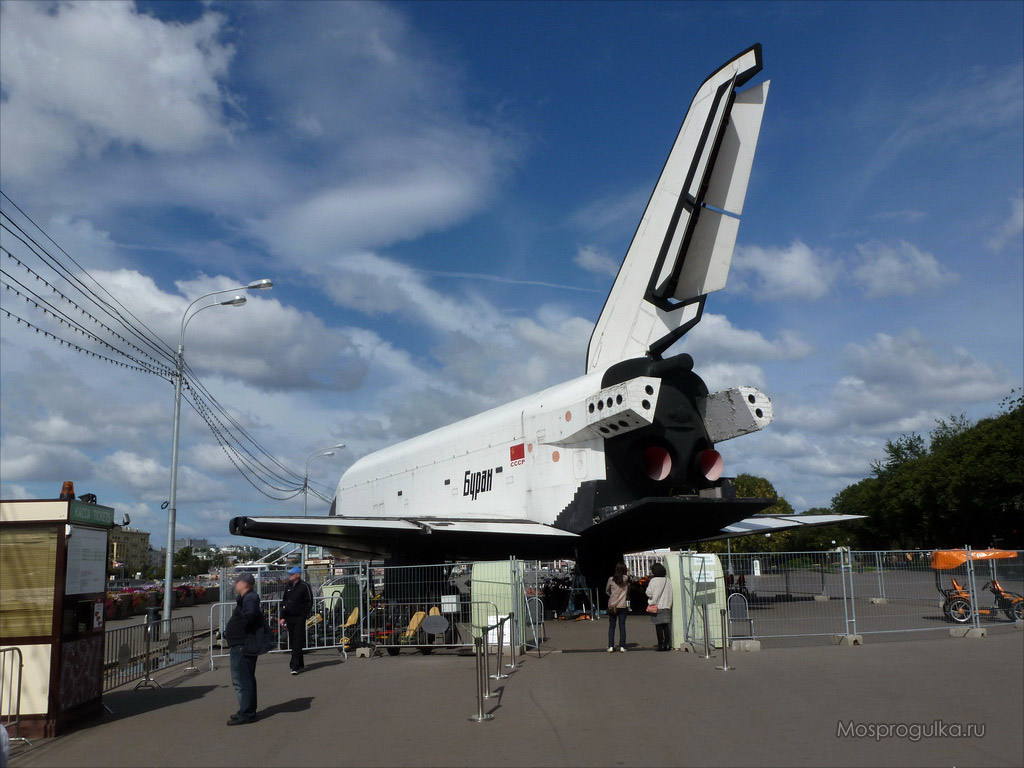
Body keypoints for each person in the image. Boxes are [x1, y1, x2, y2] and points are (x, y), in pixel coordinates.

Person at [223, 573, 262, 725]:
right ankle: (246, 710)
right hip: (241, 644)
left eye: (237, 582)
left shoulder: (250, 598)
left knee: (242, 681)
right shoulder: (246, 598)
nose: (235, 584)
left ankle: (247, 713)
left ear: (244, 584)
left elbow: (250, 616)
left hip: (242, 645)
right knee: (245, 679)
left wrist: (240, 631)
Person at [280, 566, 314, 675]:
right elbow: (284, 602)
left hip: (299, 617)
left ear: (298, 575)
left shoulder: (304, 586)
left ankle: (294, 666)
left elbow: (309, 601)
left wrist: (304, 614)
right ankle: (300, 663)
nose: (290, 576)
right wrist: (282, 616)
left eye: (292, 574)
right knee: (293, 640)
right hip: (289, 617)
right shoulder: (288, 586)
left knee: (298, 640)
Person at [645, 562, 673, 651]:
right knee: (666, 626)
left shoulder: (653, 581)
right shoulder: (667, 580)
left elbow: (648, 592)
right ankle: (667, 645)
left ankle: (660, 645)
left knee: (658, 626)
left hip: (656, 606)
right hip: (666, 605)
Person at [605, 562, 630, 652]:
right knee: (622, 626)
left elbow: (607, 591)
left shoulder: (611, 579)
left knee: (612, 626)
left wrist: (612, 596)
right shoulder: (627, 579)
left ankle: (610, 646)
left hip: (612, 606)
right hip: (622, 605)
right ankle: (623, 646)